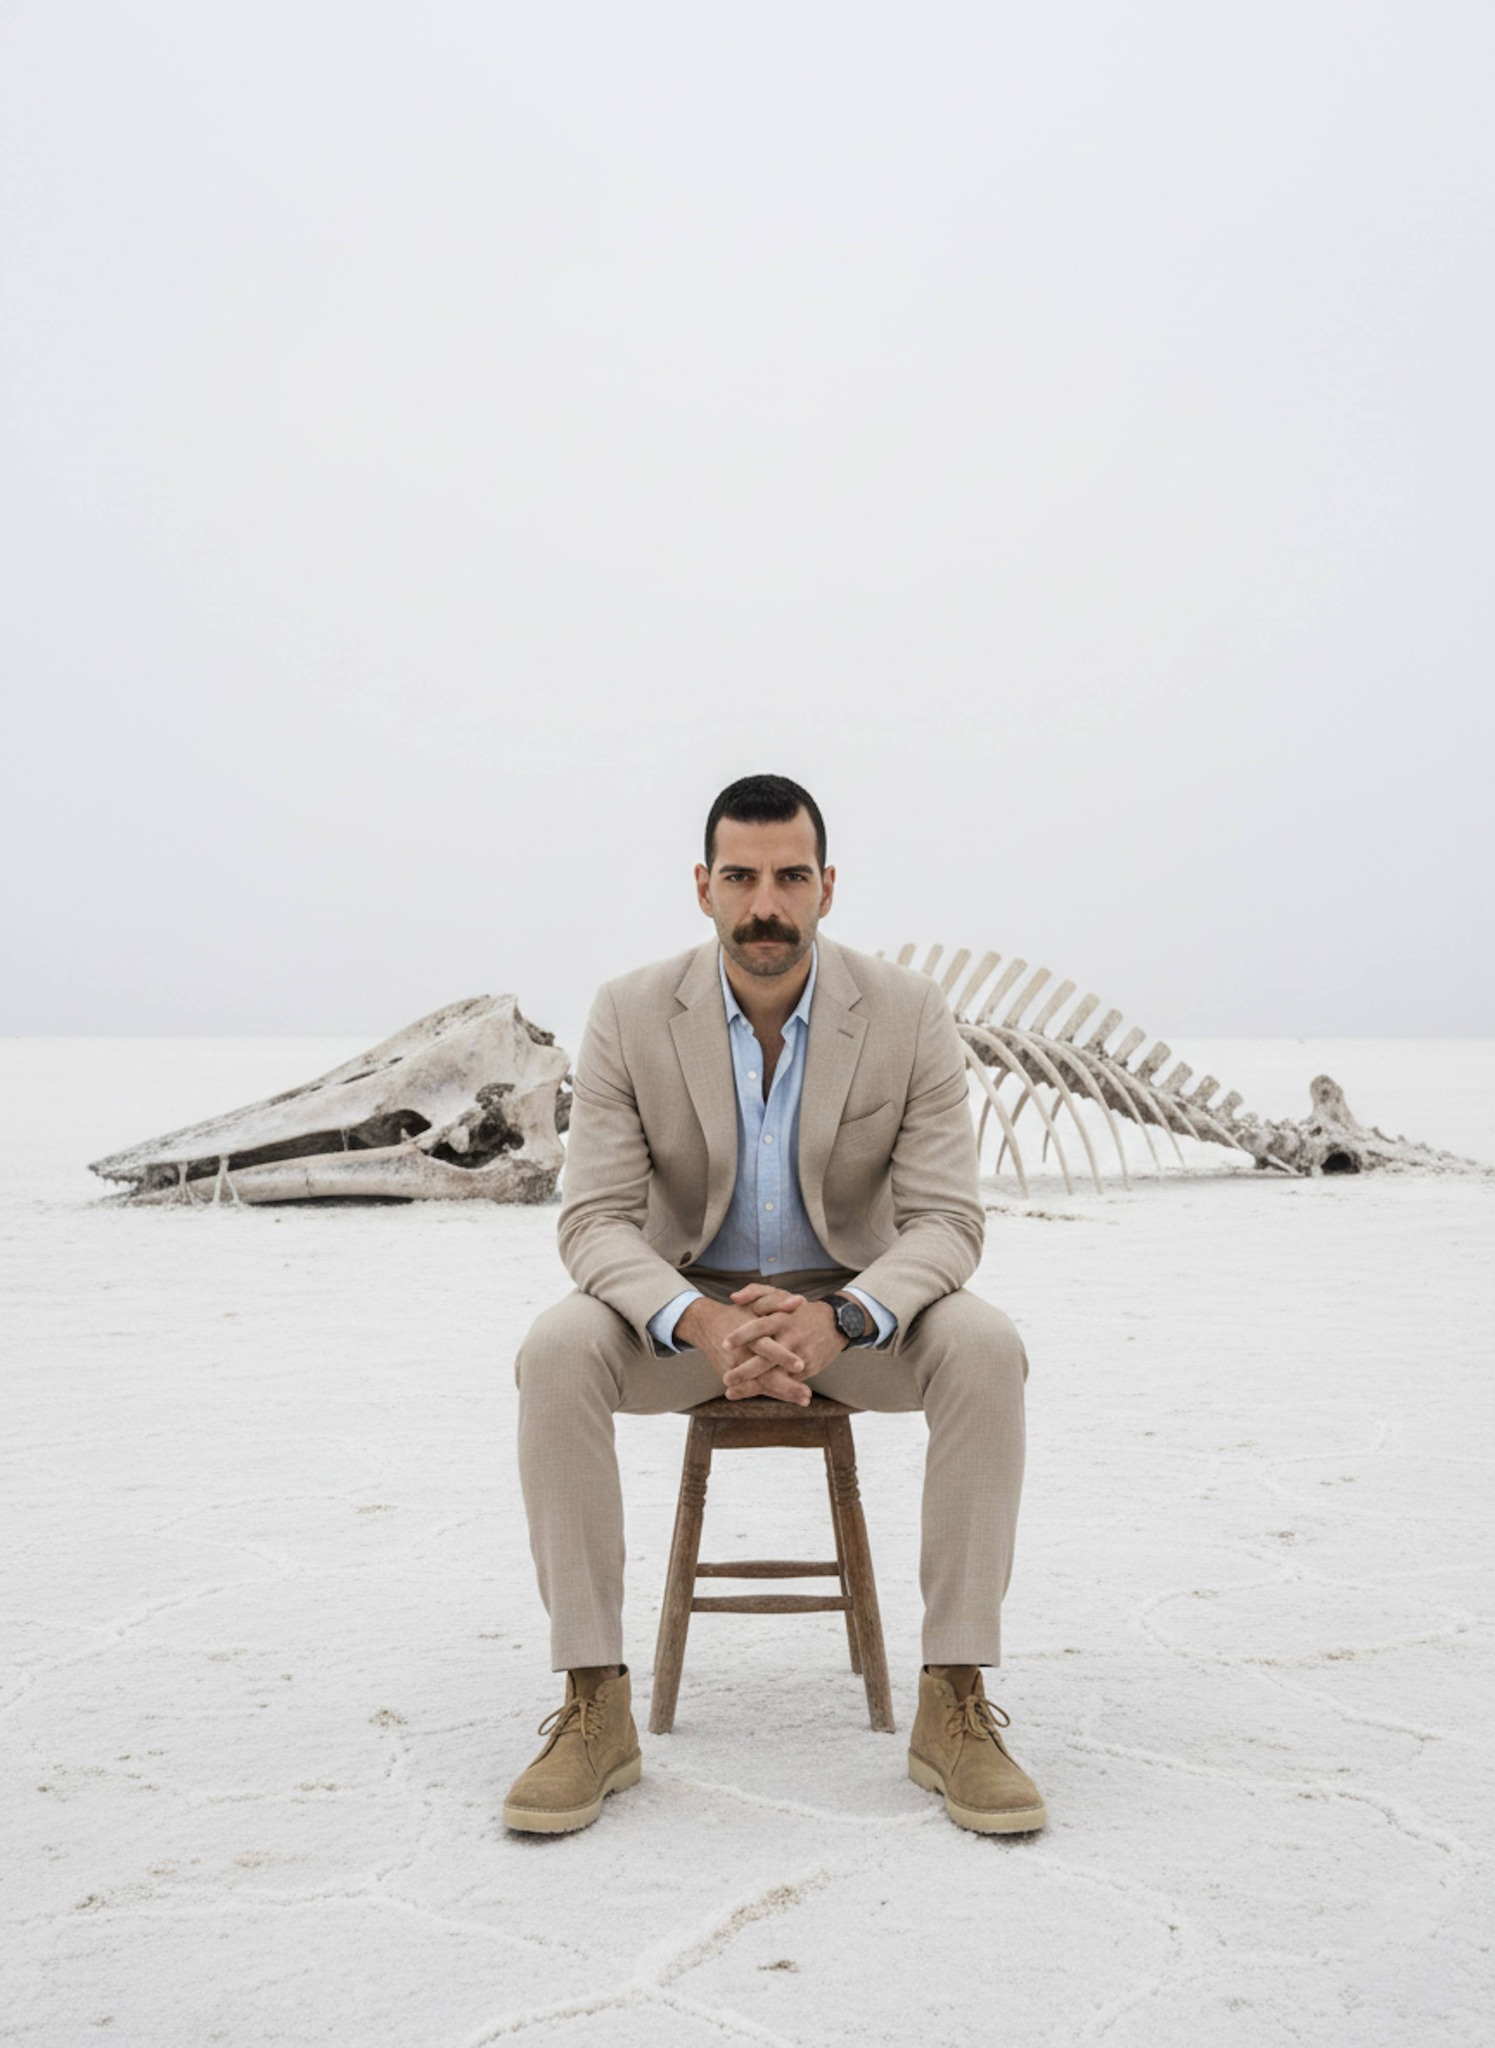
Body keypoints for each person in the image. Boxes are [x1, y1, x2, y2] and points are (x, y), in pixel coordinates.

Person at [503, 773, 1042, 1836]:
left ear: (826, 887)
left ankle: (954, 1699)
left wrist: (841, 1317)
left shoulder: (907, 1012)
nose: (765, 905)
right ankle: (593, 1701)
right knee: (557, 1348)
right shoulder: (627, 1012)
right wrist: (700, 1321)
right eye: (741, 878)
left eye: (790, 878)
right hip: (685, 1315)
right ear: (703, 886)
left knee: (984, 1344)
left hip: (852, 1316)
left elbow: (945, 1222)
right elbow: (594, 1222)